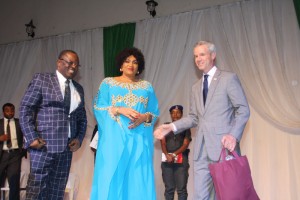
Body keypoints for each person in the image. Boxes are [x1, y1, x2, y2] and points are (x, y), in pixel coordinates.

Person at [154, 41, 250, 199]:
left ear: (213, 55)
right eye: (195, 56)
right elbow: (194, 118)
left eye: (202, 54)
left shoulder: (228, 79)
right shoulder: (195, 87)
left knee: (227, 196)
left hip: (223, 148)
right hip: (201, 150)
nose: (198, 59)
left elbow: (243, 109)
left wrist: (233, 135)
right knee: (201, 196)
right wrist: (171, 126)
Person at [90, 47, 160, 200]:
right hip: (114, 142)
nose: (131, 64)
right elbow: (98, 108)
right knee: (112, 176)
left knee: (137, 179)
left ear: (139, 67)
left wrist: (144, 117)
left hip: (139, 140)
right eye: (127, 61)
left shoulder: (146, 87)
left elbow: (154, 113)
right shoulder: (108, 83)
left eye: (135, 62)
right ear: (121, 65)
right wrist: (118, 109)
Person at [19, 50, 87, 200]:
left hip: (66, 149)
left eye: (76, 64)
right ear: (59, 62)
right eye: (70, 62)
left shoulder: (79, 89)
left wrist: (79, 138)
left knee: (57, 192)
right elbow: (26, 108)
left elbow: (82, 118)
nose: (74, 66)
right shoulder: (42, 79)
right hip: (43, 145)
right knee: (36, 191)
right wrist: (32, 138)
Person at [161, 105, 191, 200]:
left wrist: (174, 154)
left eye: (178, 112)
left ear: (181, 114)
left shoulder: (186, 127)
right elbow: (163, 142)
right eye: (173, 113)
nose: (175, 114)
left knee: (181, 190)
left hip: (181, 161)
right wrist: (167, 155)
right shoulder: (165, 126)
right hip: (167, 161)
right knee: (169, 189)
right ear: (170, 114)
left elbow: (185, 144)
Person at [0, 103, 26, 200]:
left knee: (14, 182)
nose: (10, 113)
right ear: (3, 112)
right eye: (7, 110)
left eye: (12, 110)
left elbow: (27, 136)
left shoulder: (20, 123)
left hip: (15, 155)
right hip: (2, 155)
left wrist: (23, 150)